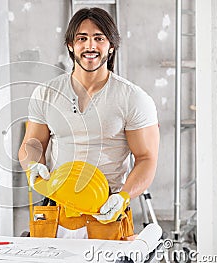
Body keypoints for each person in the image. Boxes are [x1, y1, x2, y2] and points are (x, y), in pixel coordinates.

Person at [18, 7, 159, 240]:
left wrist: (122, 197)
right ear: (71, 46)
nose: (90, 46)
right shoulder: (46, 93)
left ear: (111, 46)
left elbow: (146, 158)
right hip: (56, 211)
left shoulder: (133, 98)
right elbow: (32, 144)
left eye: (99, 38)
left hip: (106, 211)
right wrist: (33, 165)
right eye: (82, 38)